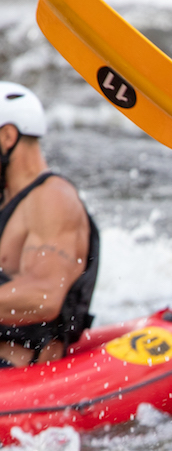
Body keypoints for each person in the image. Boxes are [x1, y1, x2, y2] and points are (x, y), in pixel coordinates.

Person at [0, 82, 99, 368]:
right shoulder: (6, 199)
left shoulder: (52, 200)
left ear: (8, 136)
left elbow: (45, 297)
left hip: (18, 370)